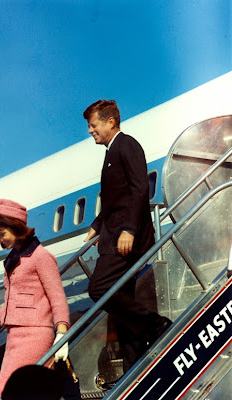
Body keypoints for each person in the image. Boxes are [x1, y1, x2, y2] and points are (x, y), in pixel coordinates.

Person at [83, 100, 172, 380]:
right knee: (121, 299)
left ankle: (156, 325)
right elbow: (113, 200)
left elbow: (138, 189)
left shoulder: (126, 145)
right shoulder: (111, 152)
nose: (90, 131)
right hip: (113, 234)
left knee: (99, 289)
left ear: (110, 122)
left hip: (126, 238)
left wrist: (130, 230)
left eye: (93, 125)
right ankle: (134, 369)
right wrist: (96, 226)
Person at [0, 199, 70, 400]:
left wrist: (62, 334)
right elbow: (13, 301)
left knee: (6, 393)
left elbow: (57, 297)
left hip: (35, 335)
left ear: (15, 227)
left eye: (1, 235)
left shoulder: (40, 256)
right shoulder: (14, 259)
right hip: (14, 336)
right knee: (14, 392)